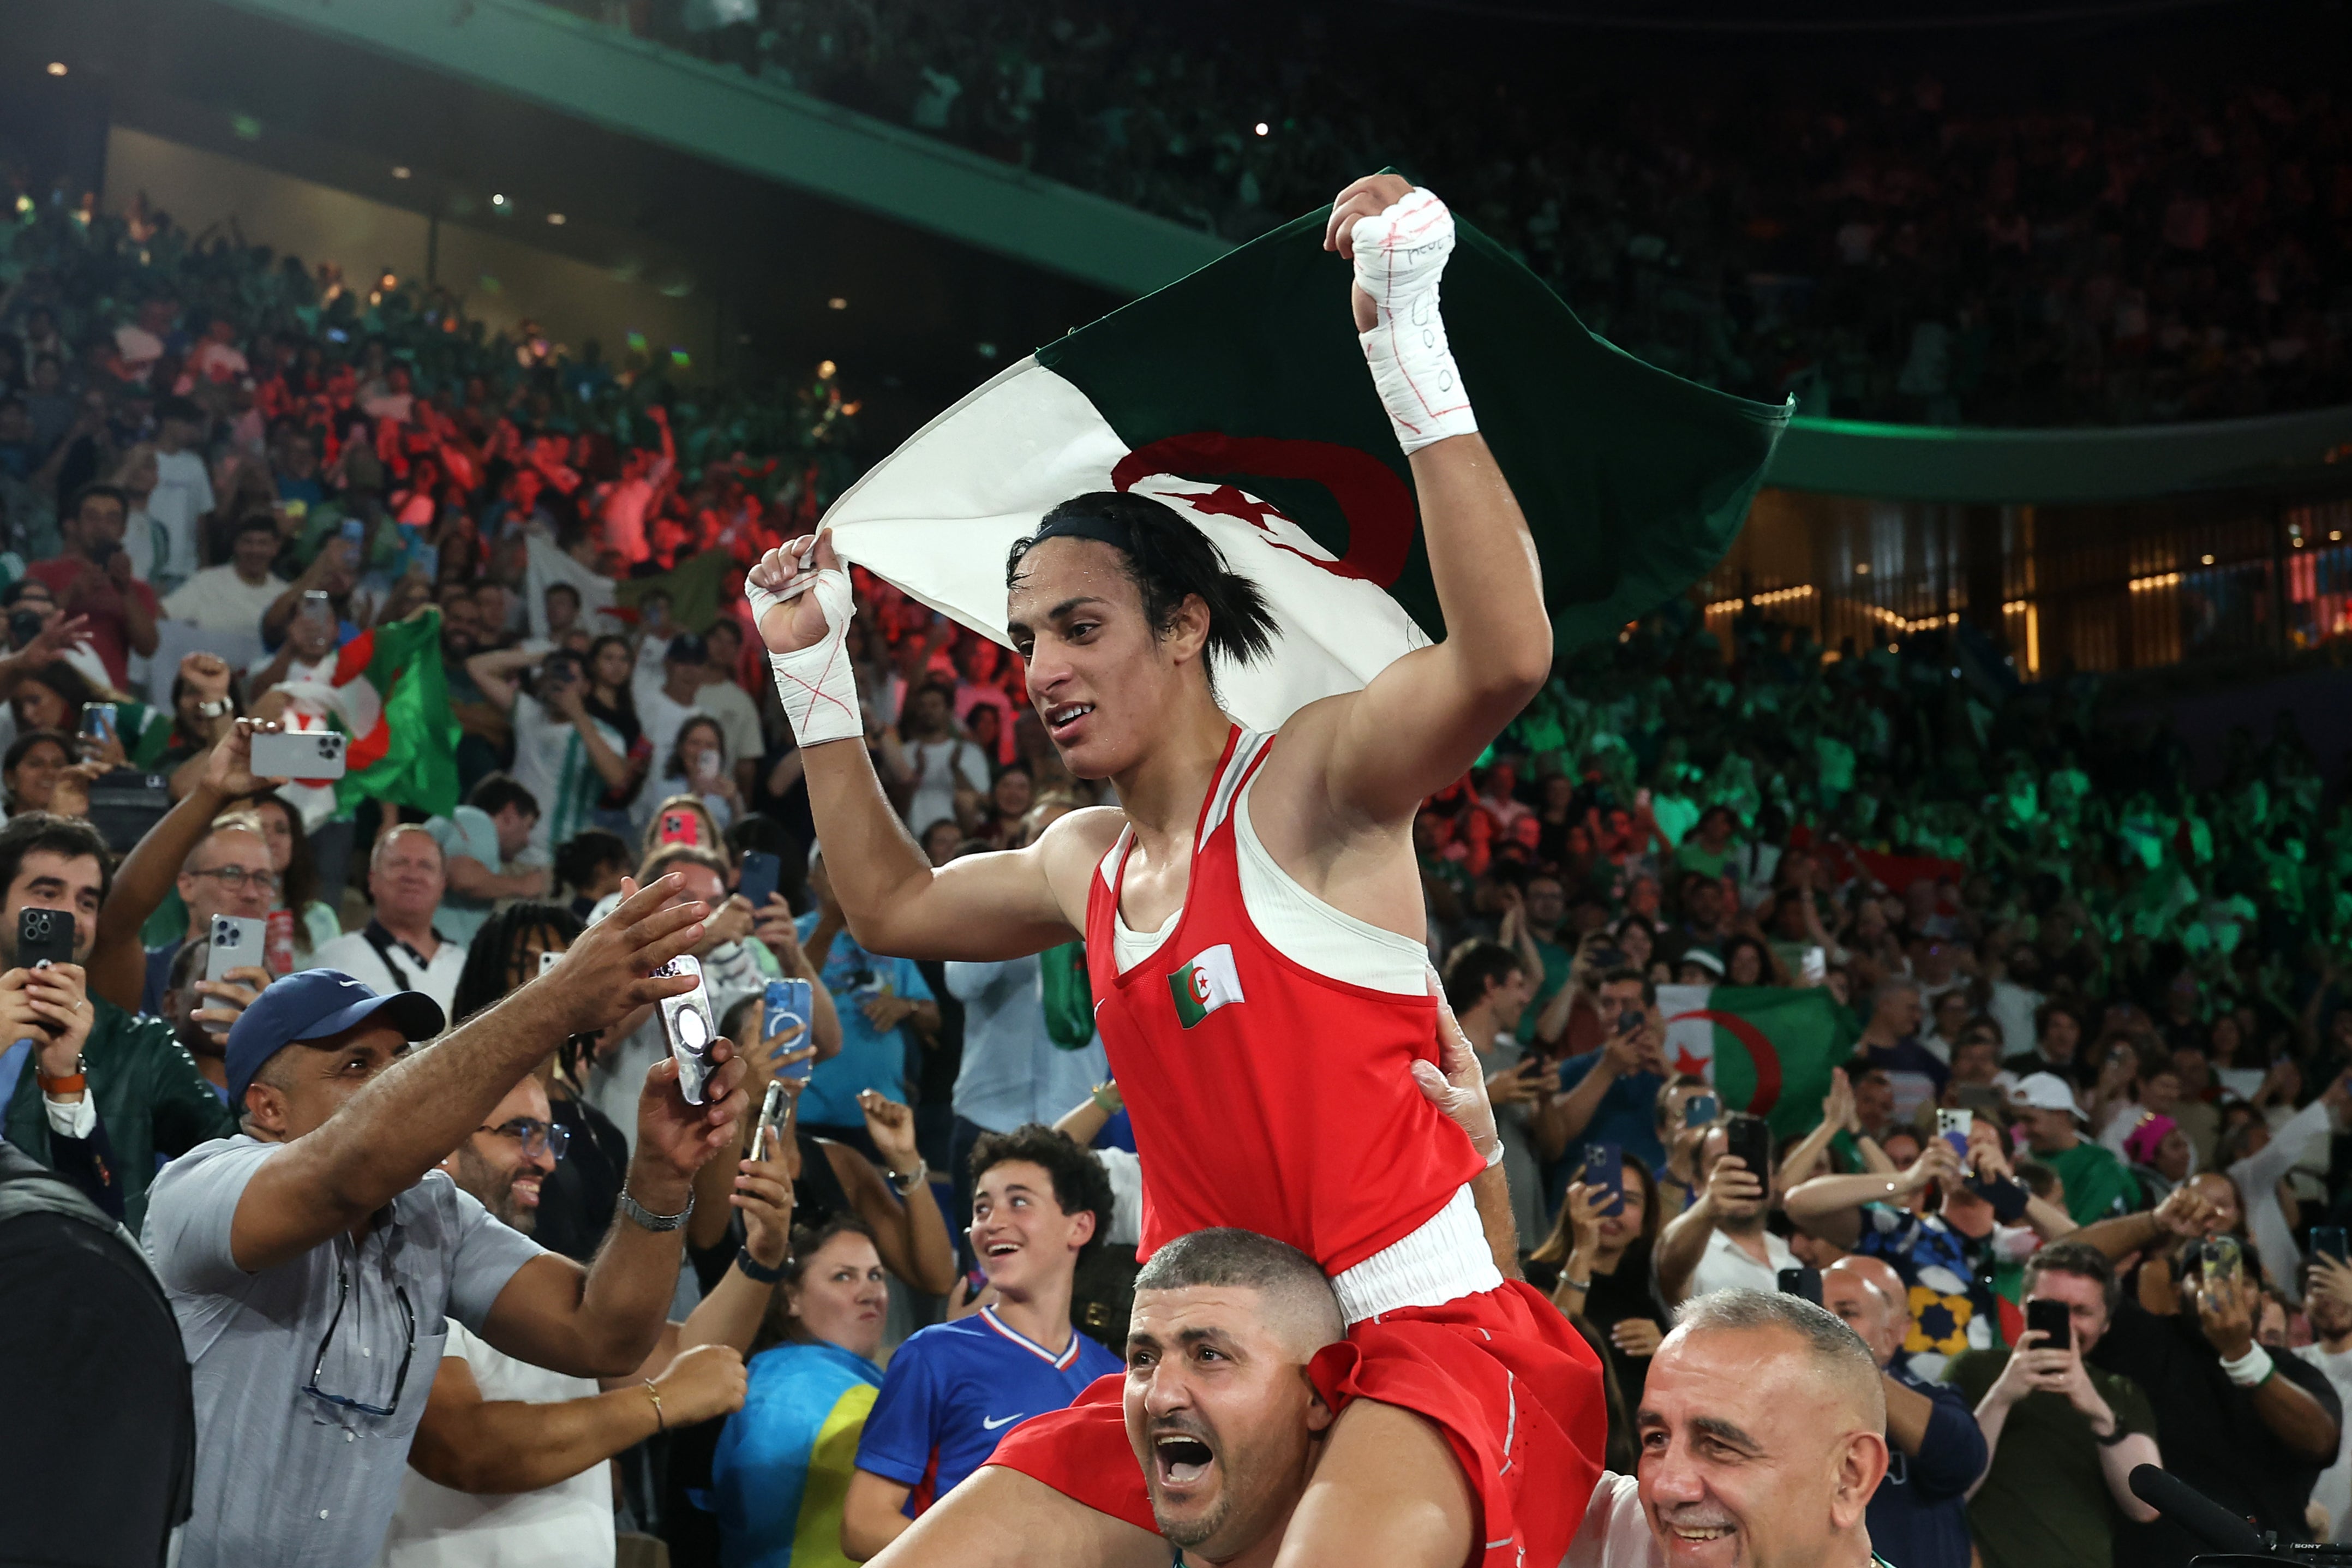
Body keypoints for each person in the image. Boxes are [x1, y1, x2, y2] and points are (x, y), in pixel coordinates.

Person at [756, 174, 1606, 1568]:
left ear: (1182, 626)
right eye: (1024, 637)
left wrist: (1402, 337)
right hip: (1204, 1357)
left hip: (1416, 1335)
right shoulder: (1078, 857)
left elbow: (1502, 656)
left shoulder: (1311, 782)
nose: (1041, 670)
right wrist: (809, 665)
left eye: (1078, 626)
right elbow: (889, 906)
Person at [139, 876, 736, 1568]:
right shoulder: (200, 1187)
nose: (391, 1081)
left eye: (399, 1061)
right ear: (269, 1109)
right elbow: (348, 1165)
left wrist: (662, 1175)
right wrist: (558, 1000)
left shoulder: (430, 1213)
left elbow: (604, 1335)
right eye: (356, 1065)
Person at [378, 1068, 795, 1568]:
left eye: (551, 1137)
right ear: (442, 1141)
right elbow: (467, 1448)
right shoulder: (399, 1268)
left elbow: (691, 1359)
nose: (548, 1160)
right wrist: (656, 1404)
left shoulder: (535, 1285)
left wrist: (761, 1255)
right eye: (521, 1133)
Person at [840, 1126, 1124, 1559]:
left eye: (1019, 1202)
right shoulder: (931, 1355)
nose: (992, 1223)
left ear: (1080, 1226)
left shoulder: (1116, 1380)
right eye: (982, 1208)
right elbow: (863, 1525)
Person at [0, 812, 235, 1231]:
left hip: (78, 1283)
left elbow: (243, 1164)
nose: (70, 917)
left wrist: (262, 1048)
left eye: (87, 902)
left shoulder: (141, 1048)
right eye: (47, 893)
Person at [1566, 1290, 1891, 1568]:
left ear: (1850, 1476)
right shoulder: (1617, 1531)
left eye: (1719, 1445)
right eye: (1657, 1439)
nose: (1667, 1487)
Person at [2087, 1215, 2343, 1565]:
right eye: (2205, 1274)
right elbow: (2067, 1265)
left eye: (2245, 1280)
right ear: (2177, 1292)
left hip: (2264, 1563)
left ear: (2264, 1299)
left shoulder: (2293, 1369)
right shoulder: (2146, 1341)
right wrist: (2158, 1220)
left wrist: (2241, 1356)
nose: (2226, 1287)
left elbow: (2321, 1442)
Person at [1941, 1242, 2163, 1568]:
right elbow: (1947, 1489)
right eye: (2052, 1309)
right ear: (2022, 1305)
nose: (2066, 1325)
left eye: (2082, 1312)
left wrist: (2099, 1413)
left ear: (2106, 1324)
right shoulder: (1974, 1369)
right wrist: (2002, 1396)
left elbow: (2147, 1506)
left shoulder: (2119, 1392)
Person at [708, 1218, 895, 1566]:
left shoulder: (777, 1374)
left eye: (876, 1276)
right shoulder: (796, 1389)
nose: (871, 1293)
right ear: (791, 1297)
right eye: (844, 1276)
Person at [1818, 1256, 1987, 1568]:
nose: (1826, 1324)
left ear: (1892, 1331)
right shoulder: (1769, 1408)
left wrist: (1852, 1365)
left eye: (1847, 1313)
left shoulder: (1934, 1397)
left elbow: (1963, 1463)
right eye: (1816, 1309)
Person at [796, 846, 940, 1148]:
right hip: (807, 1111)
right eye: (829, 867)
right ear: (811, 878)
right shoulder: (790, 935)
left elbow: (933, 1018)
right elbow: (792, 990)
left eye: (847, 869)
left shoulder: (888, 939)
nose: (840, 877)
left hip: (882, 1114)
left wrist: (907, 1007)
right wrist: (831, 922)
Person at [1536, 1151, 1670, 1408]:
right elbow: (1555, 1350)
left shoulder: (1645, 1290)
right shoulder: (1537, 1273)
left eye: (1628, 1200)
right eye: (1601, 1196)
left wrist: (1664, 1350)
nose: (1612, 1210)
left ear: (1645, 1221)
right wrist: (1583, 1249)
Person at [1443, 937, 1552, 1248]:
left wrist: (1546, 1102)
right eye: (1518, 985)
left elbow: (1551, 1145)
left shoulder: (1517, 1057)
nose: (1526, 998)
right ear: (1491, 986)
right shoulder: (1441, 1051)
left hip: (1527, 1228)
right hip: (1468, 1234)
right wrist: (1488, 1095)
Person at [304, 824, 469, 1011]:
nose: (413, 875)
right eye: (399, 863)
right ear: (372, 879)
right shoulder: (334, 961)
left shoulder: (466, 965)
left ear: (442, 885)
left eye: (426, 866)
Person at [22, 483, 160, 689]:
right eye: (92, 517)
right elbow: (25, 629)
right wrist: (72, 593)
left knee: (100, 723)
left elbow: (148, 648)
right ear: (75, 525)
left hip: (107, 699)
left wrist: (126, 592)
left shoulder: (138, 590)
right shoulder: (42, 572)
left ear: (123, 529)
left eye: (112, 519)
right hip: (48, 693)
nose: (102, 526)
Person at [1537, 967, 1670, 1180]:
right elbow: (1554, 1140)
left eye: (1628, 1005)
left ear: (1652, 1012)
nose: (1617, 1013)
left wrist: (1670, 1075)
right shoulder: (1571, 1070)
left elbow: (1706, 1129)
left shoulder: (1666, 1074)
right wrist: (1607, 1069)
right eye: (1608, 1004)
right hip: (1580, 1200)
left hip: (1652, 1204)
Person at [139, 811, 277, 1015]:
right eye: (232, 875)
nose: (251, 893)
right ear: (187, 887)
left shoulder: (282, 993)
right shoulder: (143, 977)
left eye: (262, 879)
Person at [1654, 1122, 1795, 1303]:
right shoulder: (1691, 1254)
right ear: (1696, 1183)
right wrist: (1709, 1206)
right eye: (1721, 1163)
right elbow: (1667, 1264)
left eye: (1753, 1161)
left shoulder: (1792, 1261)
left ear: (1774, 1177)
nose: (1738, 1173)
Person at [427, 773, 550, 948]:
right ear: (509, 813)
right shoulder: (477, 821)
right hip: (428, 956)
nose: (527, 841)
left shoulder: (460, 821)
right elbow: (463, 878)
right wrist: (522, 886)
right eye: (528, 827)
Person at [2012, 1072, 2139, 1224]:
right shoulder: (2018, 1159)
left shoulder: (2103, 1167)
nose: (2021, 1131)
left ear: (2061, 1114)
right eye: (2018, 1120)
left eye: (2030, 1120)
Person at [2296, 1252, 2352, 1541]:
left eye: (2338, 1287)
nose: (2330, 1298)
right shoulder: (2289, 1366)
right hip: (2302, 1539)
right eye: (2317, 1288)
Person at [162, 511, 288, 633]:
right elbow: (165, 614)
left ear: (275, 548)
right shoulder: (206, 582)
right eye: (247, 542)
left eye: (263, 543)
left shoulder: (284, 594)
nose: (255, 550)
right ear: (236, 546)